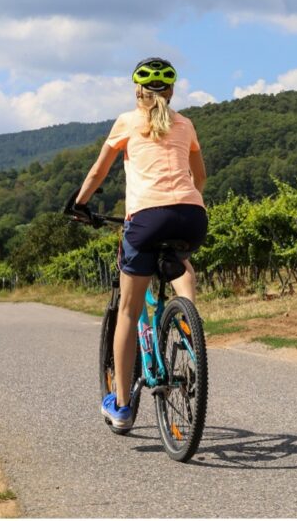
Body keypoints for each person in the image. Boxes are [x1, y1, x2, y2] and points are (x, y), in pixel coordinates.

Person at [66, 57, 208, 429]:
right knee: (182, 263)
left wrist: (79, 203)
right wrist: (184, 201)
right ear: (172, 91)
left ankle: (124, 407)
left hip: (145, 218)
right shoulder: (186, 124)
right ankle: (190, 325)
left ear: (137, 91)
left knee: (128, 312)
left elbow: (99, 170)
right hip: (192, 216)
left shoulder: (128, 122)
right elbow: (201, 175)